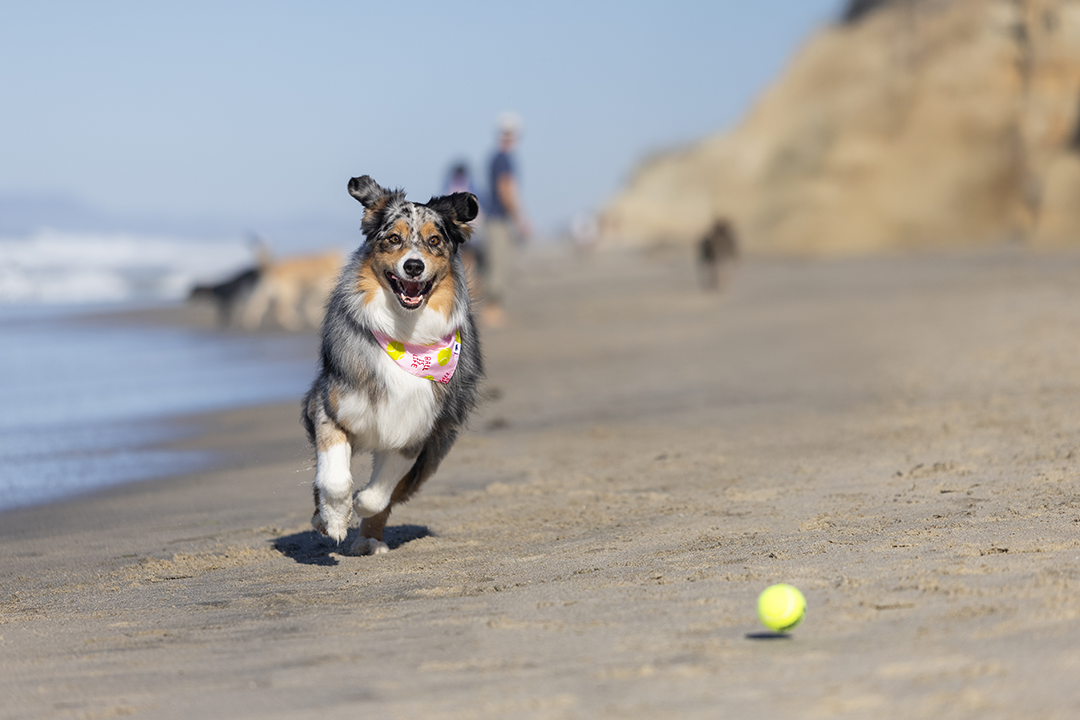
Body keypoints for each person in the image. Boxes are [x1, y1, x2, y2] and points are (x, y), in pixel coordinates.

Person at [482, 112, 530, 328]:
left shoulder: (497, 157)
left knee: (500, 263)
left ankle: (494, 308)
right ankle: (491, 310)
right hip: (498, 218)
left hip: (496, 217)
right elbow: (506, 189)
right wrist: (519, 218)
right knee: (499, 264)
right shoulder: (503, 159)